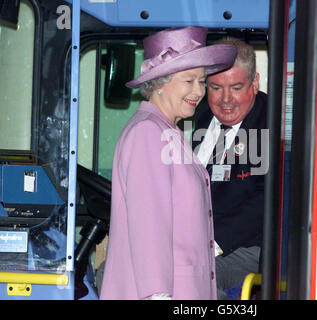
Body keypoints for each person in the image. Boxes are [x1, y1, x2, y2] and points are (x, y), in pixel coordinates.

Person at [99, 26, 237, 300]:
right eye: (189, 81)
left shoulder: (165, 130)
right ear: (160, 83)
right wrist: (157, 294)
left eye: (201, 81)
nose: (198, 91)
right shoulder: (147, 133)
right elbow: (148, 225)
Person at [192, 37, 268, 299]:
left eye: (236, 87)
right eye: (215, 87)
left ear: (254, 83)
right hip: (191, 238)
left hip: (246, 247)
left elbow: (268, 199)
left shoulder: (275, 122)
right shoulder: (200, 116)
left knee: (191, 279)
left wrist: (210, 244)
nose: (226, 100)